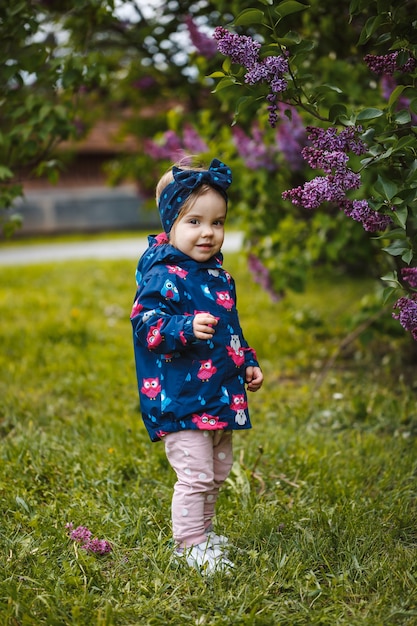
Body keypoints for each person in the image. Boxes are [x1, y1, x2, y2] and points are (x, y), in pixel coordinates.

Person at [130, 157, 263, 574]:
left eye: (218, 223)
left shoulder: (217, 274)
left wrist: (248, 362)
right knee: (196, 475)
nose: (208, 232)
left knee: (218, 471)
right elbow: (146, 325)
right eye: (194, 222)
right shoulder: (162, 273)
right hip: (182, 396)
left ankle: (203, 534)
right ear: (170, 223)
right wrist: (185, 327)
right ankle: (188, 546)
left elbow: (230, 327)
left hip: (221, 391)